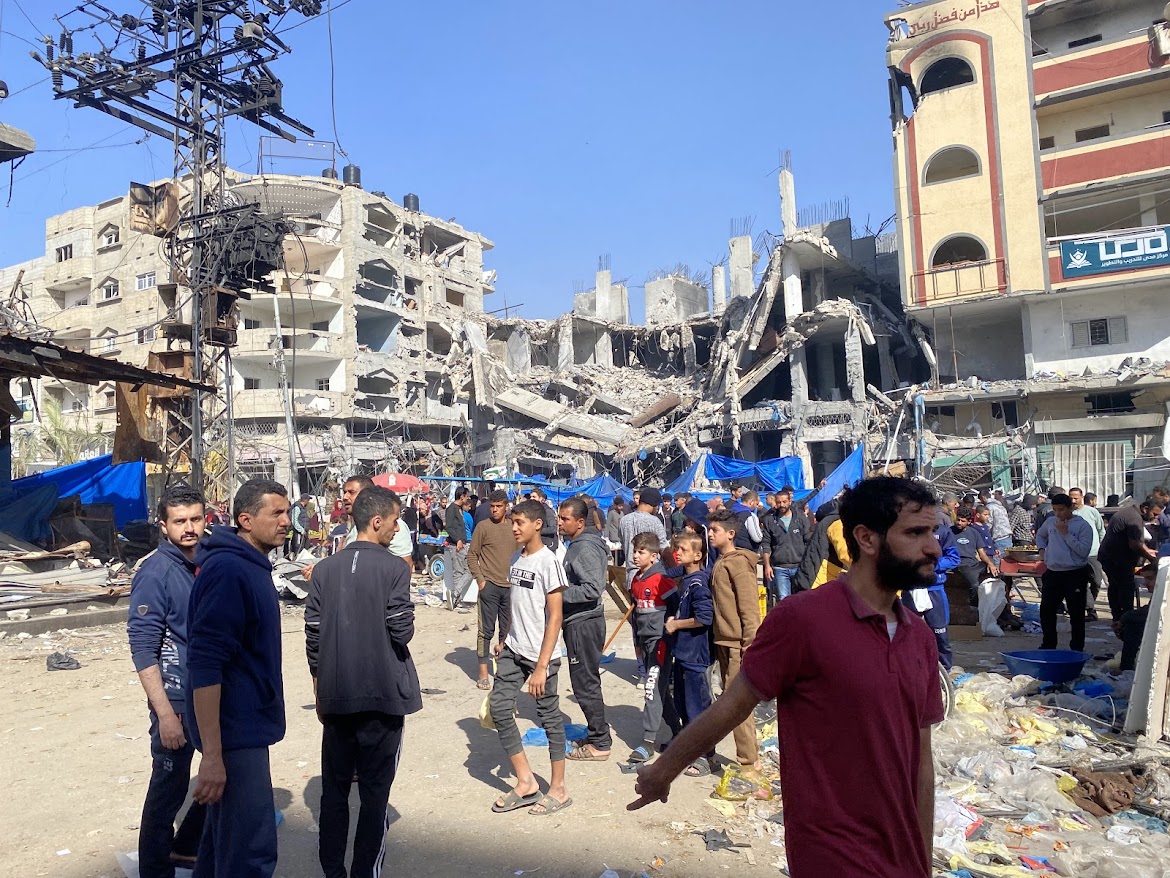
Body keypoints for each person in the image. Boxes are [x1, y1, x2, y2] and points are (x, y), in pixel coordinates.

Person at [629, 477, 944, 878]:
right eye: (916, 533)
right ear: (866, 538)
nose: (933, 546)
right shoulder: (804, 619)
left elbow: (922, 760)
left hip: (902, 858)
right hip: (832, 853)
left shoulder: (919, 639)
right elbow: (732, 705)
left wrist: (923, 859)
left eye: (932, 532)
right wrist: (663, 770)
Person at [305, 487, 421, 878]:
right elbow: (400, 630)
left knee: (334, 793)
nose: (396, 527)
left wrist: (320, 686)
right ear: (377, 522)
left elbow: (314, 636)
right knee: (375, 796)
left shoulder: (324, 569)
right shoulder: (394, 569)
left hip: (336, 697)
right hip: (383, 696)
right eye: (394, 520)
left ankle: (333, 870)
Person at [186, 479, 290, 878]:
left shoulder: (250, 566)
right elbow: (206, 663)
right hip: (234, 734)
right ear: (246, 520)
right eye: (276, 513)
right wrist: (212, 754)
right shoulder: (230, 571)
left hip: (244, 727)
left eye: (287, 511)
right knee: (251, 851)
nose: (286, 521)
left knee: (220, 849)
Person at [127, 486, 208, 878]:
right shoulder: (155, 572)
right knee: (166, 794)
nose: (189, 528)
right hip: (174, 701)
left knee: (221, 777)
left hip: (210, 697)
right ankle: (155, 870)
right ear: (163, 525)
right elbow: (143, 648)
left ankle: (188, 846)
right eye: (180, 521)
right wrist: (166, 715)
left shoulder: (208, 561)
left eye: (195, 518)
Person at [488, 500, 571, 816]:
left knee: (550, 718)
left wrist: (541, 666)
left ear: (537, 524)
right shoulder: (515, 558)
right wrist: (505, 637)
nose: (514, 527)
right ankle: (526, 782)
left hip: (541, 657)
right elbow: (515, 604)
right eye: (513, 522)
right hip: (513, 649)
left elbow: (555, 617)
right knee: (498, 707)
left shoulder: (548, 562)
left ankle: (559, 789)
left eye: (520, 522)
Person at [558, 497, 613, 762]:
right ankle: (595, 734)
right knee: (586, 680)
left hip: (584, 622)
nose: (559, 522)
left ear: (580, 522)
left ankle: (600, 743)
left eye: (564, 519)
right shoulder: (579, 544)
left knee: (585, 683)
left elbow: (593, 588)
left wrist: (558, 594)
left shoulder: (584, 549)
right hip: (579, 621)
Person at [707, 507, 761, 771]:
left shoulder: (739, 563)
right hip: (723, 642)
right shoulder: (719, 562)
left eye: (715, 530)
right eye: (709, 529)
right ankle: (751, 758)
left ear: (730, 534)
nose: (709, 534)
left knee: (737, 706)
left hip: (739, 645)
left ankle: (749, 763)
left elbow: (750, 611)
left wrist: (749, 647)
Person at [626, 531, 681, 764]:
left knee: (650, 688)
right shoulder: (636, 580)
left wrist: (668, 635)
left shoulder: (663, 580)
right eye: (635, 551)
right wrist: (638, 641)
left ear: (654, 556)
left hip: (661, 643)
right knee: (658, 689)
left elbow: (676, 609)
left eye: (641, 552)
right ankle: (678, 732)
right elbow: (637, 612)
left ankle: (648, 741)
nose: (636, 556)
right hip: (645, 641)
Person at [665, 531, 715, 778]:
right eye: (677, 549)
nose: (678, 553)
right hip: (683, 653)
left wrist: (677, 624)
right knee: (683, 704)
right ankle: (687, 750)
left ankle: (705, 757)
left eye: (683, 550)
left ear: (698, 555)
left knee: (698, 708)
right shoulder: (687, 577)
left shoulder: (698, 583)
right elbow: (668, 572)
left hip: (696, 655)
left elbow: (704, 618)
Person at [467, 490, 516, 690]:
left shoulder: (515, 526)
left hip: (511, 587)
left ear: (506, 506)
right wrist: (480, 580)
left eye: (499, 506)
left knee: (507, 631)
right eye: (492, 506)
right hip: (489, 586)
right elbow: (472, 556)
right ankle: (483, 673)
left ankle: (503, 670)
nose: (495, 510)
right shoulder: (483, 527)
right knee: (485, 632)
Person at [1035, 493, 1093, 652]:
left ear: (1070, 508)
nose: (1058, 513)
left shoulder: (1083, 526)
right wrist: (1042, 551)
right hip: (1053, 572)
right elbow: (1040, 535)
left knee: (1076, 613)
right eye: (1055, 510)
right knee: (1047, 610)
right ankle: (1048, 644)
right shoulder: (1050, 522)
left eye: (1061, 509)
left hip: (1075, 573)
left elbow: (1083, 551)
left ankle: (1076, 648)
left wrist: (1065, 533)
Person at [1099, 496, 1163, 622]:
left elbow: (1137, 540)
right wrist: (1152, 559)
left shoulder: (1131, 513)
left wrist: (1148, 550)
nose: (1155, 518)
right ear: (1145, 509)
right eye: (1154, 514)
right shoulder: (1133, 518)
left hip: (1113, 557)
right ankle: (1124, 618)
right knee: (1125, 590)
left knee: (1116, 588)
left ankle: (1118, 617)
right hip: (1116, 560)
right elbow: (1135, 544)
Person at [792, 500, 851, 592]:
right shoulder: (836, 523)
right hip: (820, 580)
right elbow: (845, 554)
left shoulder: (826, 523)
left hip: (812, 579)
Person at [760, 488, 806, 605]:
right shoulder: (769, 521)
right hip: (780, 568)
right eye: (779, 502)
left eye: (784, 502)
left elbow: (808, 541)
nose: (782, 505)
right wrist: (767, 566)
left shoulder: (800, 519)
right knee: (784, 601)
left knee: (801, 599)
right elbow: (766, 544)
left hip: (799, 566)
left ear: (790, 501)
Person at [1069, 487, 1105, 622]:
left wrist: (1103, 548)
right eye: (1071, 498)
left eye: (1075, 498)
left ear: (1082, 497)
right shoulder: (1069, 515)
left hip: (1093, 553)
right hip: (1076, 555)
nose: (1073, 501)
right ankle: (1091, 610)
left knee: (1096, 581)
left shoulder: (1092, 512)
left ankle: (1089, 604)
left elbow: (1101, 530)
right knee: (1082, 583)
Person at [951, 505, 999, 607]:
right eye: (958, 520)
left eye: (963, 521)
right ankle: (974, 609)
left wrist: (990, 564)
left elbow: (981, 553)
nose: (959, 523)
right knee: (975, 585)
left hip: (974, 563)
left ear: (969, 522)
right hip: (960, 564)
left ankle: (1000, 610)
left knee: (999, 576)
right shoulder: (949, 532)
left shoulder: (974, 533)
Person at [444, 487, 474, 611]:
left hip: (461, 544)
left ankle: (455, 595)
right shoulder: (452, 509)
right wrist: (458, 540)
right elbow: (449, 527)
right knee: (459, 571)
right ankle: (457, 598)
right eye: (466, 496)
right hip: (456, 545)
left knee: (467, 570)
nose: (467, 499)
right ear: (462, 496)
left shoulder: (459, 509)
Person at [730, 490, 764, 554]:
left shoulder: (731, 512)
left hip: (732, 550)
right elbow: (757, 538)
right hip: (747, 552)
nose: (757, 506)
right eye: (757, 503)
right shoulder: (750, 516)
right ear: (751, 502)